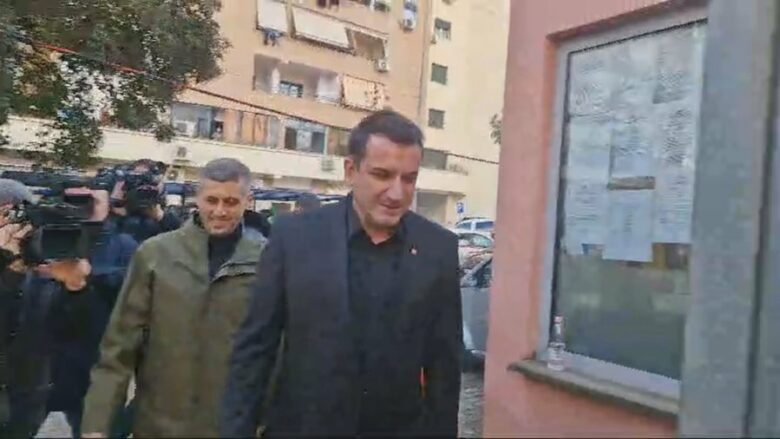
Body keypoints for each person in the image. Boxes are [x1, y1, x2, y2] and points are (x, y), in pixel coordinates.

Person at [221, 110, 463, 437]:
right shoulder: (295, 237)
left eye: (408, 179)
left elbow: (445, 369)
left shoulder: (438, 248)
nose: (396, 193)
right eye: (382, 175)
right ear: (351, 170)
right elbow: (254, 350)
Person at [81, 158, 266, 438]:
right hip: (160, 424)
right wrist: (97, 425)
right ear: (197, 198)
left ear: (247, 201)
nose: (219, 211)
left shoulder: (267, 260)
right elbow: (119, 347)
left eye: (230, 202)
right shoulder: (155, 254)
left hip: (234, 426)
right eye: (211, 200)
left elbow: (280, 351)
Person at [0, 179, 97, 437]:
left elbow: (79, 333)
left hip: (28, 399)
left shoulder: (44, 266)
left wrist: (77, 287)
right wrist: (8, 266)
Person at [43, 186, 138, 438]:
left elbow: (129, 284)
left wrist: (87, 274)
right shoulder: (45, 234)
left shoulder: (121, 243)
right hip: (43, 356)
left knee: (96, 426)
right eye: (72, 200)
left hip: (93, 356)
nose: (81, 207)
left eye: (88, 201)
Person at [110, 159, 181, 243]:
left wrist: (158, 214)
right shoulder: (116, 216)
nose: (141, 185)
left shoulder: (169, 217)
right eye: (135, 178)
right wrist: (116, 200)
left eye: (146, 178)